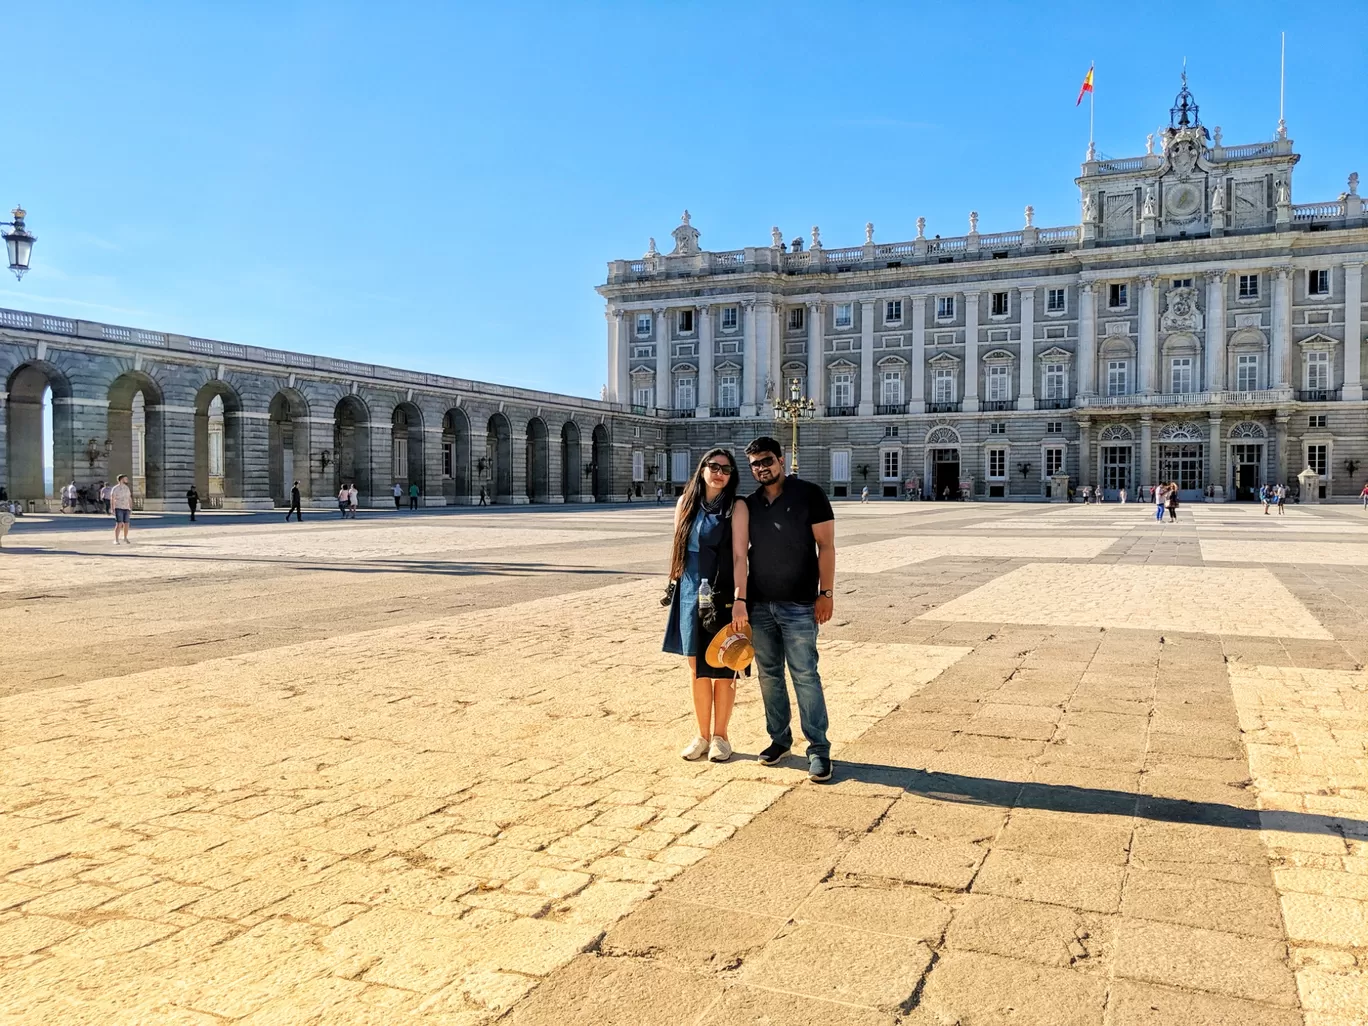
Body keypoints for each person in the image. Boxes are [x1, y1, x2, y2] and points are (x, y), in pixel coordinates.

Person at [738, 436, 835, 784]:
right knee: (769, 676)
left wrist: (826, 593)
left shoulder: (810, 494)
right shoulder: (748, 504)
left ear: (782, 459)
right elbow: (736, 555)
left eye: (767, 461)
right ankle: (779, 739)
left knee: (805, 675)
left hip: (799, 604)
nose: (762, 468)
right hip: (760, 604)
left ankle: (819, 749)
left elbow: (825, 546)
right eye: (755, 464)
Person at [662, 448, 747, 764]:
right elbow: (678, 548)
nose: (719, 472)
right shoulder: (685, 503)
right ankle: (701, 735)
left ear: (731, 475)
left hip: (722, 593)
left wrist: (740, 600)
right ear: (702, 469)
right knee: (697, 669)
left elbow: (740, 557)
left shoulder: (736, 507)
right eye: (713, 466)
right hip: (690, 593)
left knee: (725, 667)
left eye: (725, 469)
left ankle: (721, 737)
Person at [110, 474, 133, 545]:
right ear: (121, 479)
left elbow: (129, 498)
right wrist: (112, 508)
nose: (127, 480)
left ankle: (125, 537)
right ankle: (116, 539)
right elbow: (112, 498)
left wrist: (131, 507)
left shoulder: (127, 488)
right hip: (118, 507)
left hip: (126, 507)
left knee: (127, 523)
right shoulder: (115, 488)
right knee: (119, 523)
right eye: (126, 478)